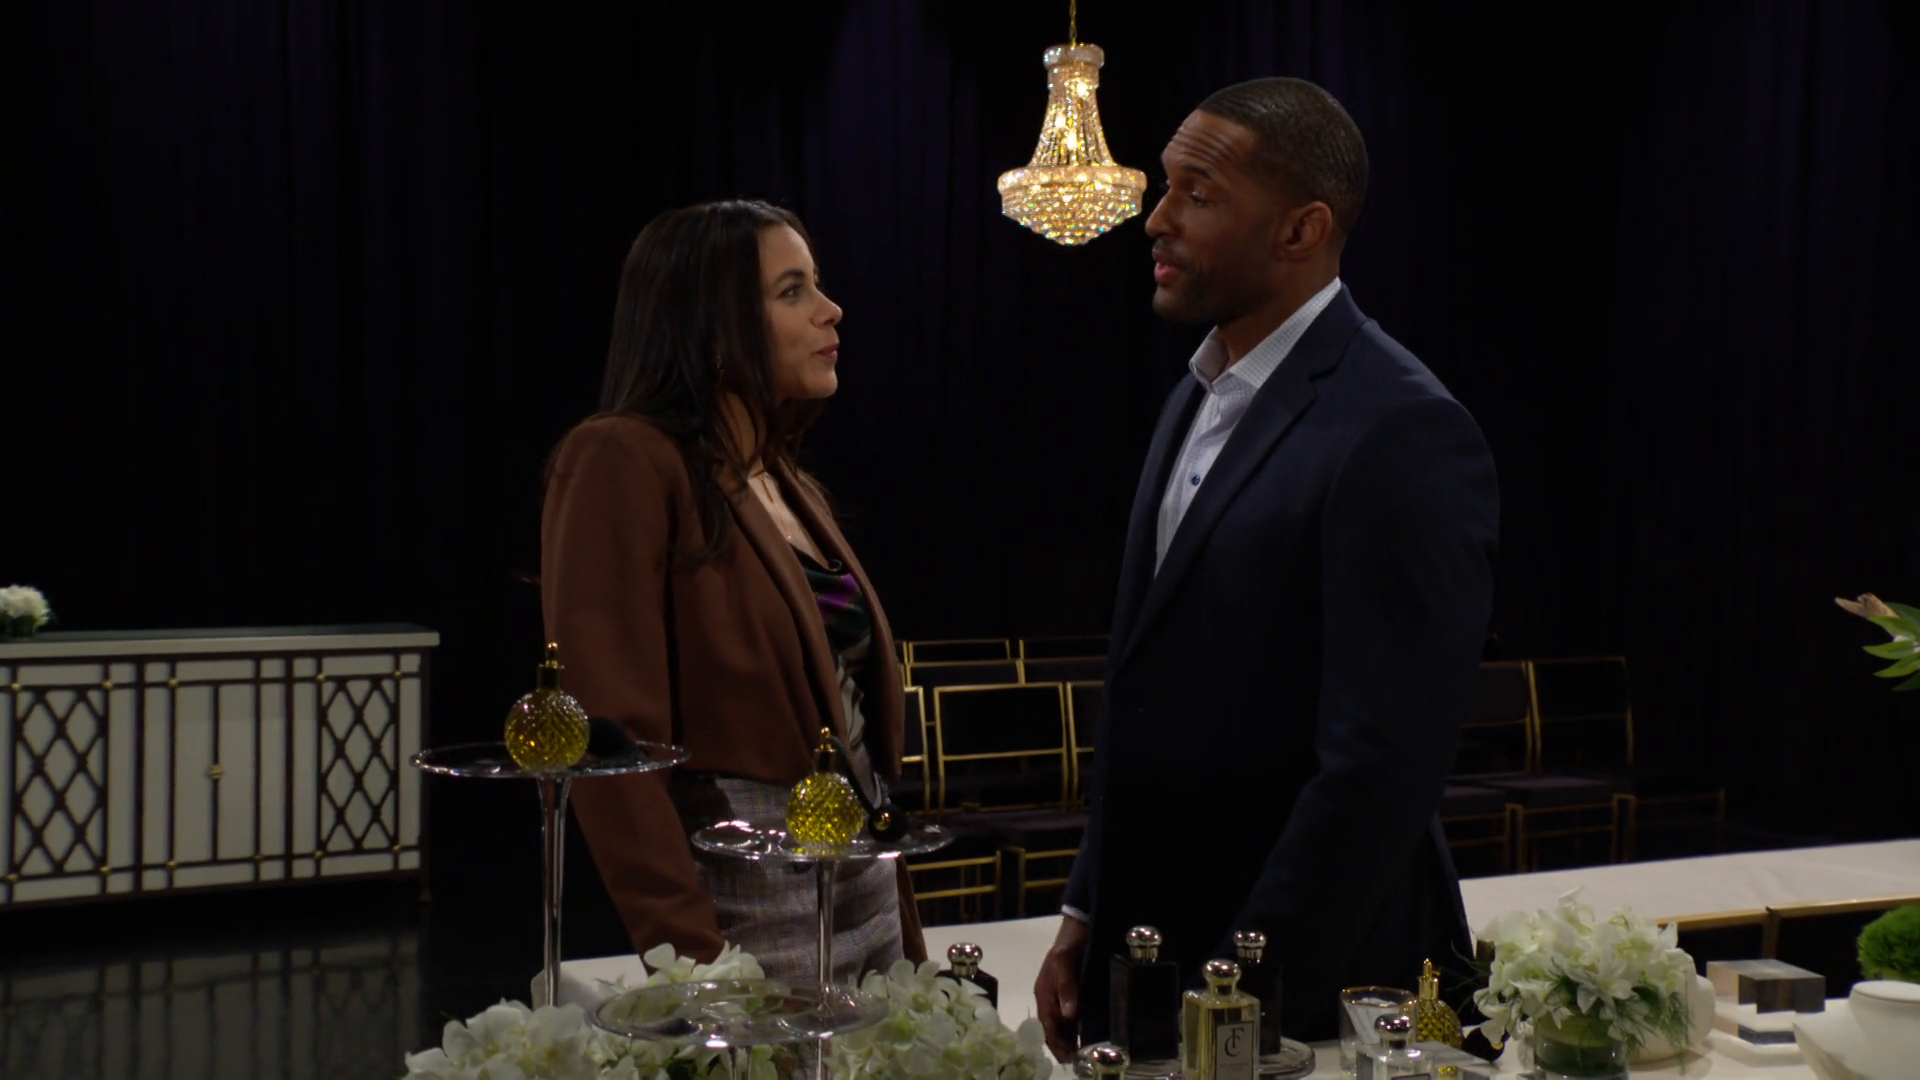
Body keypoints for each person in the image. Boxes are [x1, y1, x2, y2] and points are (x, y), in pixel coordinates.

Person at [1034, 77, 1499, 1054]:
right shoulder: (1197, 392)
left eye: (1198, 195)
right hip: (1158, 951)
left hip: (1310, 995)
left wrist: (1237, 999)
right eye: (1165, 185)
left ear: (1301, 230)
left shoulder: (1403, 427)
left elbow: (1378, 772)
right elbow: (1146, 694)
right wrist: (1089, 907)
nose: (1157, 219)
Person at [540, 199, 925, 983]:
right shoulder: (623, 456)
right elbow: (611, 742)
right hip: (748, 895)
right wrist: (690, 954)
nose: (830, 309)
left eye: (816, 284)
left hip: (861, 875)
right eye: (792, 291)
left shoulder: (784, 479)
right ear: (713, 329)